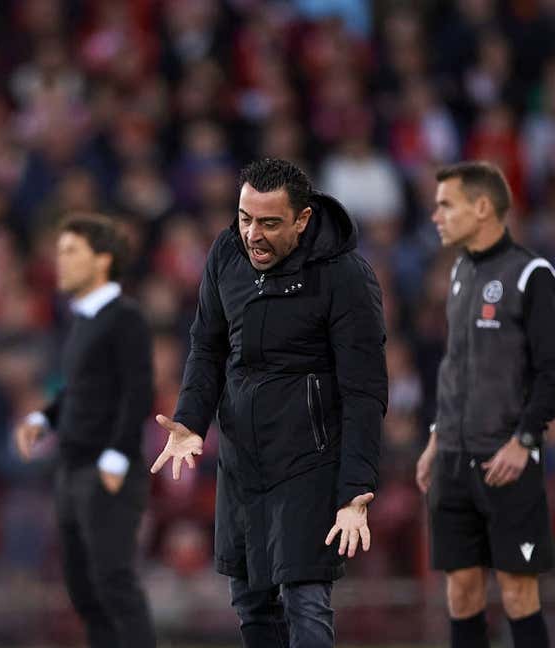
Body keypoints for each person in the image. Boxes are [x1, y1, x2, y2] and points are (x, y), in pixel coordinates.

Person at [149, 158, 387, 648]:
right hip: (242, 461)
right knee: (252, 605)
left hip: (310, 461)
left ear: (302, 221)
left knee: (304, 598)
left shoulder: (344, 277)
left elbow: (364, 391)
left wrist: (355, 489)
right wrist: (191, 420)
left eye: (269, 223)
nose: (252, 234)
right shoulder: (226, 254)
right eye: (244, 218)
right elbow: (207, 346)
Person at [416, 161, 555, 648]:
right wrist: (436, 439)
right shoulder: (459, 272)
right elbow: (455, 369)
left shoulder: (531, 275)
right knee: (460, 592)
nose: (436, 215)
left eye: (446, 205)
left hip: (507, 462)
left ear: (482, 207)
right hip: (453, 461)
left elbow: (554, 376)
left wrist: (525, 440)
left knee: (518, 591)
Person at [14, 214, 156, 648]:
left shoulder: (125, 317)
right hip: (72, 469)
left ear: (102, 260)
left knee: (113, 583)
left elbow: (138, 392)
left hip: (105, 469)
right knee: (84, 590)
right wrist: (44, 419)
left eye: (71, 251)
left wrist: (116, 457)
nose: (60, 261)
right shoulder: (83, 321)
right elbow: (79, 390)